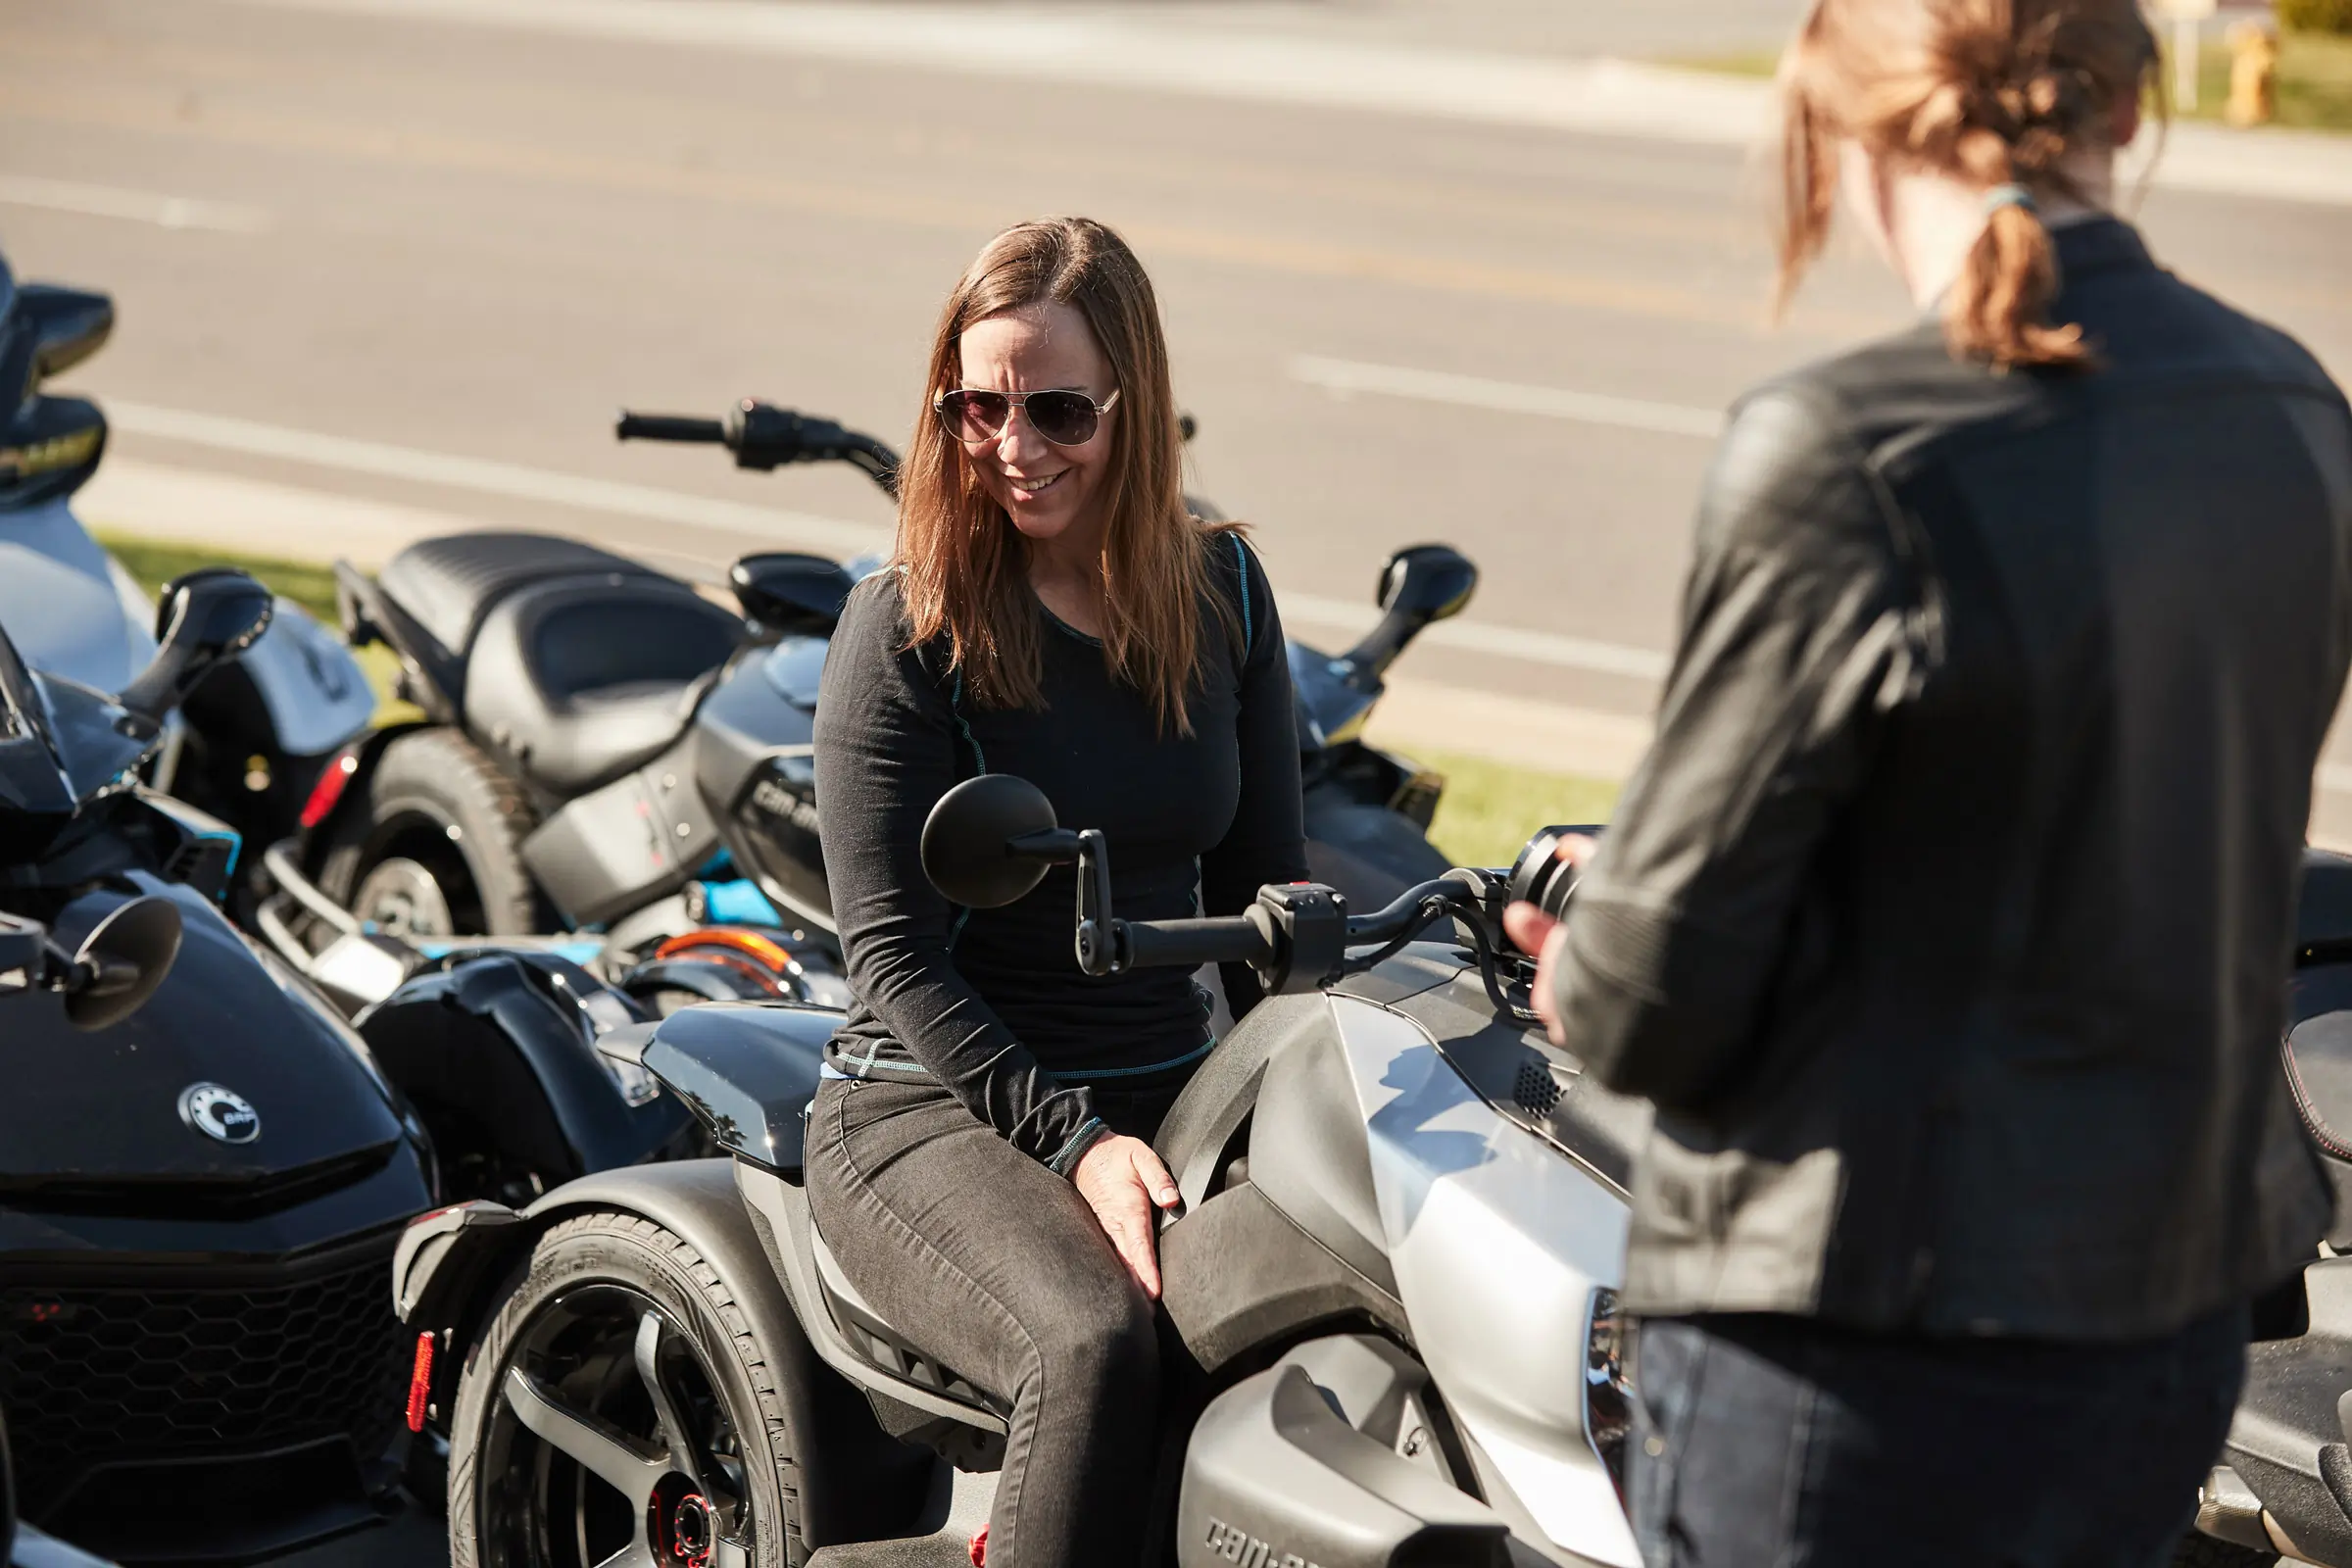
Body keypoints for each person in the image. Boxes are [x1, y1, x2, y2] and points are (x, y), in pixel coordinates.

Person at [1501, 2, 2352, 1564]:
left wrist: (1589, 954)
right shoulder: (2292, 406)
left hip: (1856, 1350)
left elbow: (1651, 1001)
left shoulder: (1846, 446)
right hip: (2161, 1324)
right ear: (2127, 108)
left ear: (1846, 130)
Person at [807, 216, 1307, 1568]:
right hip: (933, 1104)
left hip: (1172, 1087)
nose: (1016, 445)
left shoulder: (1225, 593)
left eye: (1059, 411)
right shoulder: (906, 625)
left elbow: (1270, 903)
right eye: (979, 407)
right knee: (1092, 1344)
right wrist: (1077, 1142)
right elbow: (892, 960)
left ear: (1133, 406)